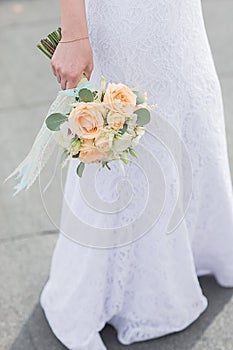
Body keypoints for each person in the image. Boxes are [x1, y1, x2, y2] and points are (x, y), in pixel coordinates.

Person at [40, 1, 233, 349]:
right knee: (133, 127)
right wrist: (73, 34)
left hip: (177, 12)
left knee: (189, 105)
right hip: (122, 14)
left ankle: (199, 247)